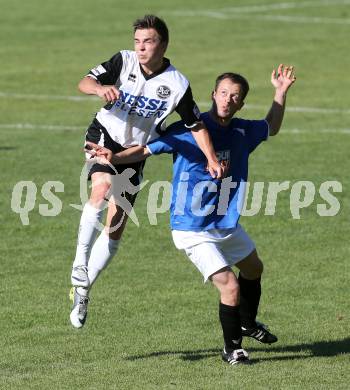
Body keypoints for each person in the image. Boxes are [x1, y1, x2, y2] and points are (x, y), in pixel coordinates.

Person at [87, 64, 296, 365]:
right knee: (230, 286)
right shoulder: (189, 131)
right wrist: (115, 156)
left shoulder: (242, 131)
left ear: (241, 103)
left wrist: (280, 92)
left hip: (224, 223)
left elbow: (270, 126)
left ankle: (248, 323)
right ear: (213, 95)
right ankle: (232, 349)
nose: (227, 100)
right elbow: (145, 150)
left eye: (234, 96)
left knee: (253, 269)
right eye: (223, 93)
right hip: (191, 227)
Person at [69, 15, 224, 329]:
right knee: (100, 189)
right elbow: (83, 82)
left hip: (134, 153)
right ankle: (78, 265)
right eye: (137, 41)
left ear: (163, 44)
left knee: (115, 228)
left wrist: (211, 158)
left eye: (148, 41)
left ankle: (83, 290)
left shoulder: (177, 84)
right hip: (103, 136)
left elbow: (196, 125)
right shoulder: (122, 61)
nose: (140, 47)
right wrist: (100, 89)